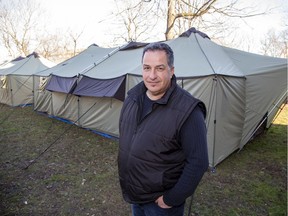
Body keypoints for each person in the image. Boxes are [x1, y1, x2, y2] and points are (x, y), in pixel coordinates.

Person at [118, 42, 209, 216]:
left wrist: (171, 199)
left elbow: (198, 162)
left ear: (171, 70)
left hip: (161, 205)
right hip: (135, 195)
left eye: (159, 68)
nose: (151, 75)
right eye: (146, 68)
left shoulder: (188, 111)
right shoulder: (132, 98)